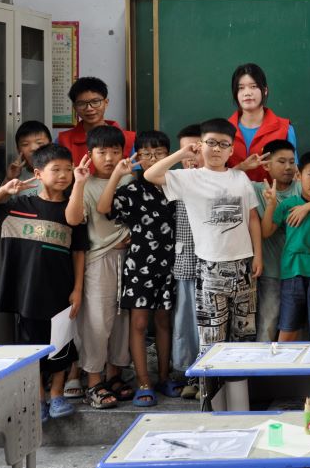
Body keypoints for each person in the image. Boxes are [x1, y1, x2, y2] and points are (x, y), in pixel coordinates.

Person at [0, 143, 86, 422]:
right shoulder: (19, 206)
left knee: (61, 343)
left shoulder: (72, 207)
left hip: (60, 289)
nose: (63, 175)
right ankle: (39, 398)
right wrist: (4, 190)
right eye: (56, 169)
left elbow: (79, 251)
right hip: (26, 291)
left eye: (68, 169)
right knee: (31, 346)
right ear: (37, 173)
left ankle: (57, 394)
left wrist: (77, 289)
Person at [146, 118, 263, 346]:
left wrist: (258, 255)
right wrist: (182, 154)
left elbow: (253, 219)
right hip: (210, 266)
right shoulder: (189, 177)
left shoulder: (240, 177)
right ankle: (210, 372)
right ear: (200, 145)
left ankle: (239, 372)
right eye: (211, 142)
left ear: (231, 150)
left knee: (244, 334)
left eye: (223, 144)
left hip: (243, 264)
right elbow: (150, 175)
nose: (217, 149)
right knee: (211, 337)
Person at [97, 131, 180, 407]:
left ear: (169, 155)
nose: (153, 159)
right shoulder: (131, 190)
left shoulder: (176, 185)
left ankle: (164, 376)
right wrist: (117, 175)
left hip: (171, 263)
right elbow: (104, 208)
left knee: (164, 321)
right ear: (137, 157)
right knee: (140, 323)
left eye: (159, 153)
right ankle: (144, 382)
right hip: (140, 264)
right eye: (145, 154)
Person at [65, 125, 133, 408]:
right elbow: (73, 220)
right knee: (97, 320)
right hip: (98, 261)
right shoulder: (84, 183)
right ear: (90, 154)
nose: (108, 158)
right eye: (101, 152)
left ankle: (114, 374)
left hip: (129, 258)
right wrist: (79, 183)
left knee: (122, 319)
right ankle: (94, 380)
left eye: (114, 151)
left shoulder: (129, 179)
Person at [255, 140, 310, 342]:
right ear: (299, 176)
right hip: (292, 272)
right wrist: (271, 205)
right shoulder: (288, 204)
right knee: (288, 326)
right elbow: (266, 231)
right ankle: (279, 363)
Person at [170, 124, 203, 400]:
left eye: (196, 149)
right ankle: (190, 374)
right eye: (185, 151)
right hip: (186, 262)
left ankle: (212, 376)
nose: (191, 156)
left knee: (213, 324)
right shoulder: (176, 179)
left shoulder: (220, 178)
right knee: (187, 322)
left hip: (217, 264)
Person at [227, 63, 298, 182]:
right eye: (241, 88)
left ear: (265, 90)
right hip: (231, 193)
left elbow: (293, 173)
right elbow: (216, 174)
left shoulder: (285, 128)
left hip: (272, 193)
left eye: (253, 86)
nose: (247, 93)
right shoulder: (224, 130)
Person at [57, 76, 134, 165]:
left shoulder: (127, 138)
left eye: (95, 102)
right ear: (75, 107)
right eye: (81, 104)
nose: (89, 108)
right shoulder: (63, 140)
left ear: (106, 103)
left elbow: (133, 173)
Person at [0, 120, 52, 195]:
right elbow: (1, 201)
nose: (33, 148)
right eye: (25, 144)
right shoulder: (16, 176)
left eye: (39, 143)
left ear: (50, 145)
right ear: (18, 150)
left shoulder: (62, 172)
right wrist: (9, 179)